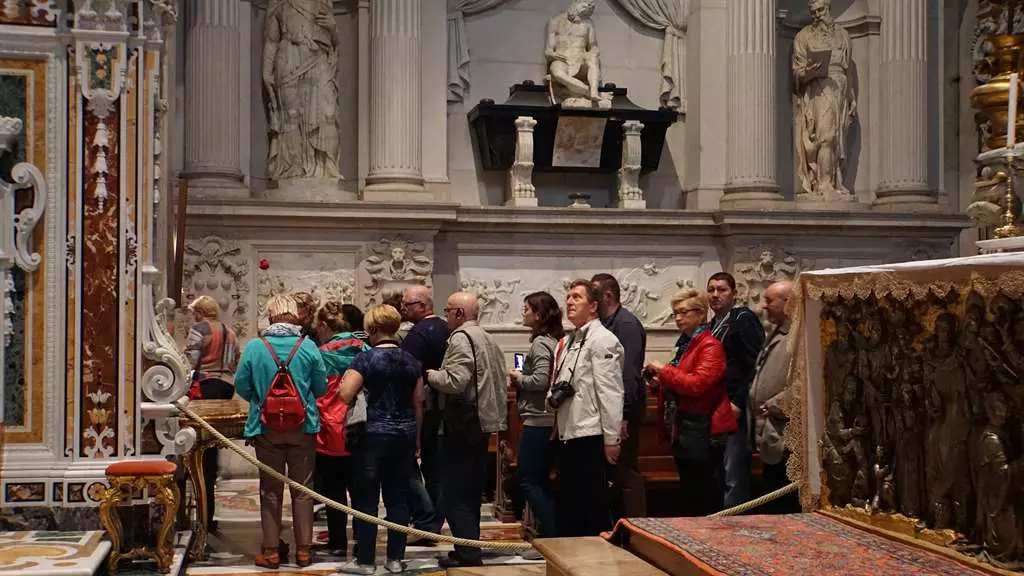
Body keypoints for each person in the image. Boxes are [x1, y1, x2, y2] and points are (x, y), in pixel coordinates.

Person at [234, 295, 327, 569]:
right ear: (296, 316)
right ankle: (304, 552)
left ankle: (271, 552)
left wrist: (261, 401)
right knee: (303, 489)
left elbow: (241, 384)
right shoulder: (307, 346)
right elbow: (320, 387)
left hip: (266, 427)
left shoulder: (256, 347)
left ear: (271, 316)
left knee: (270, 490)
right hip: (302, 427)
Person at [338, 305, 424, 575]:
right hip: (404, 433)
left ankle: (365, 561)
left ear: (372, 328)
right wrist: (417, 438)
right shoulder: (411, 361)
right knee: (398, 498)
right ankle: (395, 559)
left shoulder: (365, 359)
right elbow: (418, 402)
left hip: (372, 435)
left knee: (366, 499)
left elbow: (345, 394)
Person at [427, 292, 508, 568]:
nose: (445, 316)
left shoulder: (461, 338)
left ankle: (469, 554)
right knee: (471, 491)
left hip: (463, 425)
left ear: (459, 313)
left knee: (455, 492)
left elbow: (455, 381)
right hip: (482, 422)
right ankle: (468, 548)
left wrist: (431, 375)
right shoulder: (487, 337)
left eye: (448, 310)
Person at [645, 289, 737, 516]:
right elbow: (681, 380)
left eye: (684, 312)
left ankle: (709, 534)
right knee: (690, 490)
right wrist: (658, 382)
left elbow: (698, 384)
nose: (678, 318)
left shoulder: (709, 345)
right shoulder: (686, 343)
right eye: (675, 313)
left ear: (701, 314)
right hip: (684, 427)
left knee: (703, 493)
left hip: (702, 429)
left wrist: (664, 370)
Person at [550, 280, 623, 537]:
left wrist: (612, 439)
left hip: (590, 434)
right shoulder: (569, 341)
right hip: (569, 432)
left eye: (577, 297)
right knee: (569, 507)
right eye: (568, 297)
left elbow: (610, 392)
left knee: (591, 507)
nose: (569, 302)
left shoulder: (603, 340)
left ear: (593, 306)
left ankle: (595, 557)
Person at [313, 301, 370, 555]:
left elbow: (314, 390)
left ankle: (337, 542)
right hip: (360, 426)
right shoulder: (365, 349)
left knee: (333, 490)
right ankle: (362, 538)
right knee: (360, 489)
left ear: (325, 325)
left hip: (329, 428)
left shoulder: (320, 353)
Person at [509, 292, 564, 548]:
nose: (524, 313)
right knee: (539, 480)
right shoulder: (553, 340)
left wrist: (518, 377)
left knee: (529, 479)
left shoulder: (541, 343)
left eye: (527, 309)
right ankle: (552, 534)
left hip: (539, 419)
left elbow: (541, 381)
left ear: (539, 315)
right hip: (547, 419)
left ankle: (552, 538)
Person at [591, 273, 648, 520]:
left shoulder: (626, 325)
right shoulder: (606, 324)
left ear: (607, 295)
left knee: (626, 474)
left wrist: (623, 415)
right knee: (614, 474)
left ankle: (636, 525)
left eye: (594, 294)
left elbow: (629, 373)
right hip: (612, 411)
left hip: (625, 411)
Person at [706, 272, 765, 508]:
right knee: (718, 471)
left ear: (734, 294)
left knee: (734, 473)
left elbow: (756, 365)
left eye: (721, 290)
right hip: (716, 407)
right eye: (711, 290)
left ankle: (734, 522)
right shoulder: (712, 325)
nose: (715, 295)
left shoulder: (742, 319)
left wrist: (739, 402)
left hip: (735, 407)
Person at [183, 295, 240, 532]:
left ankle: (202, 516)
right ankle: (209, 513)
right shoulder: (231, 332)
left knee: (199, 449)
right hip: (226, 387)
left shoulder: (200, 329)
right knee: (212, 447)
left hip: (205, 387)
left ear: (200, 312)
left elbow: (190, 361)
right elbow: (235, 362)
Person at [400, 285, 450, 539]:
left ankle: (426, 521)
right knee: (435, 468)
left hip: (425, 406)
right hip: (443, 407)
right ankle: (432, 520)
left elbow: (409, 375)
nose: (403, 308)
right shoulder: (445, 327)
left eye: (407, 304)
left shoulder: (418, 334)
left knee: (413, 465)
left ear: (422, 306)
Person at [748, 281, 800, 513]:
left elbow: (805, 384)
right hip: (769, 432)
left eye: (769, 300)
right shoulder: (777, 331)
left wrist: (775, 404)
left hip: (786, 434)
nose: (763, 306)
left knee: (783, 501)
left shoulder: (800, 335)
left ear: (788, 302)